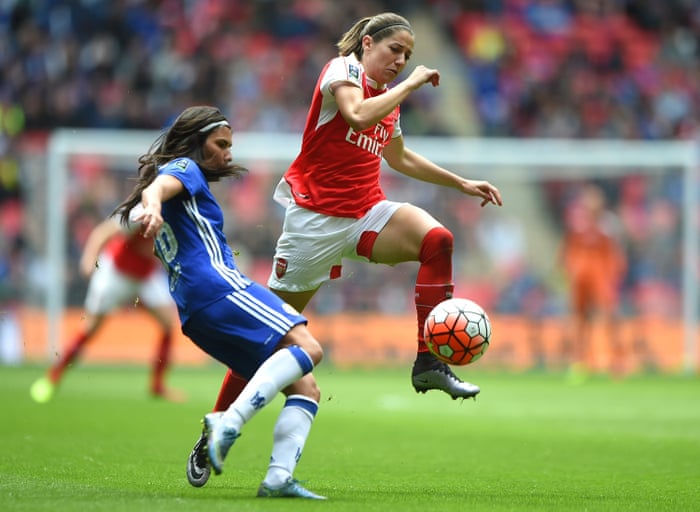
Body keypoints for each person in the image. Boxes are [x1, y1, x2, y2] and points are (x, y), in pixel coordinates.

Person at [186, 12, 503, 488]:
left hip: (366, 213)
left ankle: (427, 362)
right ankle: (215, 427)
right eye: (395, 50)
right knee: (267, 341)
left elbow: (398, 157)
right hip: (314, 224)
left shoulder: (388, 100)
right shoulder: (343, 71)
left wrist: (460, 182)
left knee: (438, 240)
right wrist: (412, 84)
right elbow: (355, 114)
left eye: (409, 57)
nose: (401, 61)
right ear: (368, 43)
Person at [113, 105, 327, 500]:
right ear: (197, 144)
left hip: (194, 312)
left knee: (306, 388)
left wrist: (156, 208)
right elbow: (158, 187)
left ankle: (278, 478)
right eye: (221, 143)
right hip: (220, 288)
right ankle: (225, 423)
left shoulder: (187, 182)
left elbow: (157, 191)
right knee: (309, 348)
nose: (228, 152)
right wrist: (155, 205)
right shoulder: (184, 168)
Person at [29, 215, 182, 403]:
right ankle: (52, 378)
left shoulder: (179, 215)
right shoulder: (142, 211)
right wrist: (89, 258)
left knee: (168, 324)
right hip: (116, 274)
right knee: (90, 329)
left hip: (144, 277)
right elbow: (103, 232)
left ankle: (157, 386)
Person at [560, 183, 627, 378]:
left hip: (602, 276)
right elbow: (569, 251)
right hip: (581, 276)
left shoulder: (608, 226)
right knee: (580, 319)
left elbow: (615, 254)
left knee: (610, 317)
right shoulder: (578, 225)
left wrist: (615, 276)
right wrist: (570, 271)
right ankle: (581, 361)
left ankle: (617, 360)